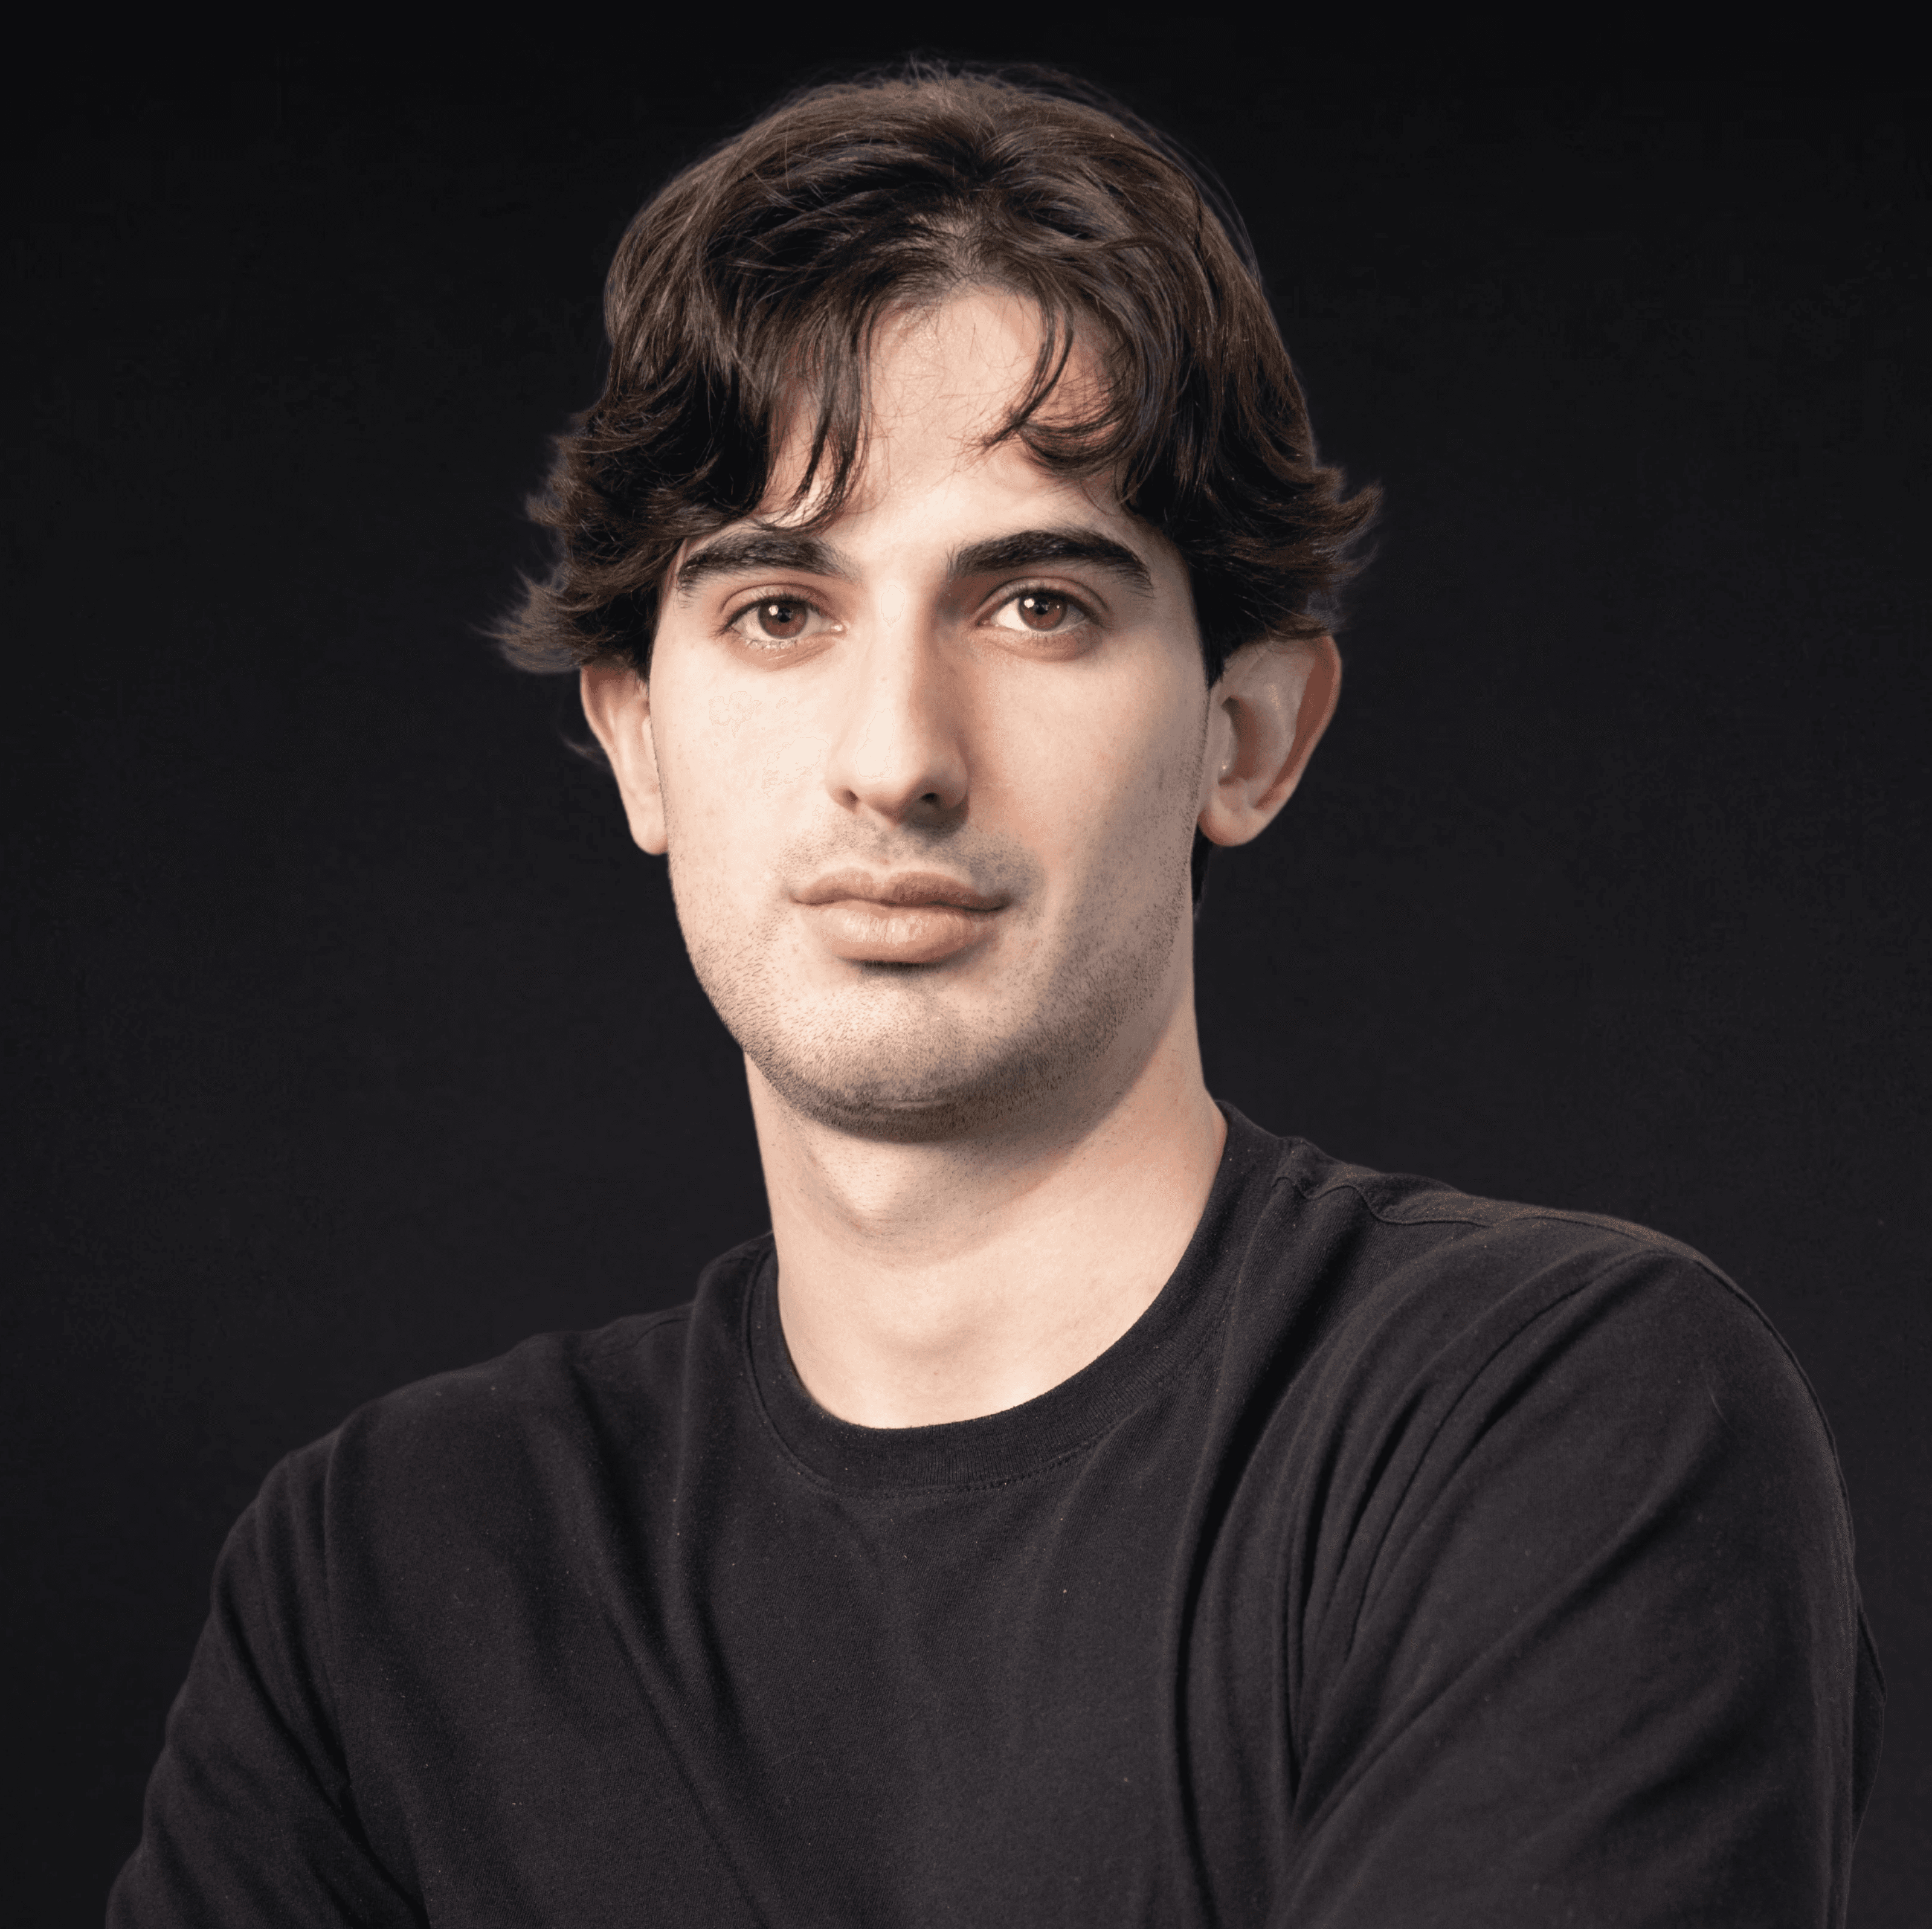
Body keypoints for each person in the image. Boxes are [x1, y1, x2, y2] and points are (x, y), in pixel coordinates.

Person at [111, 65, 1882, 1927]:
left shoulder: (1549, 1424)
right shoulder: (388, 1572)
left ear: (1248, 734)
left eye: (1034, 601)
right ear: (636, 737)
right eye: (779, 610)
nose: (896, 758)